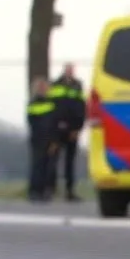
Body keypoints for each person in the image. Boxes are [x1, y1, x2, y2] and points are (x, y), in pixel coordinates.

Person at [48, 63, 86, 201]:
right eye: (68, 70)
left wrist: (78, 127)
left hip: (73, 129)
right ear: (64, 71)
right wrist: (54, 128)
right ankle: (51, 189)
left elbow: (81, 107)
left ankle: (70, 191)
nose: (70, 72)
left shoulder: (78, 85)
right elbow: (52, 107)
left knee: (70, 162)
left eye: (72, 70)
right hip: (57, 129)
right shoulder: (55, 85)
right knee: (53, 160)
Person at [26, 78, 57, 202]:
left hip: (50, 139)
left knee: (49, 167)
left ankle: (46, 191)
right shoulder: (33, 103)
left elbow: (55, 122)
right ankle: (35, 191)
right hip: (38, 139)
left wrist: (54, 140)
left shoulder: (53, 103)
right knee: (37, 166)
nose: (43, 89)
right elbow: (32, 122)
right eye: (40, 87)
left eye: (44, 87)